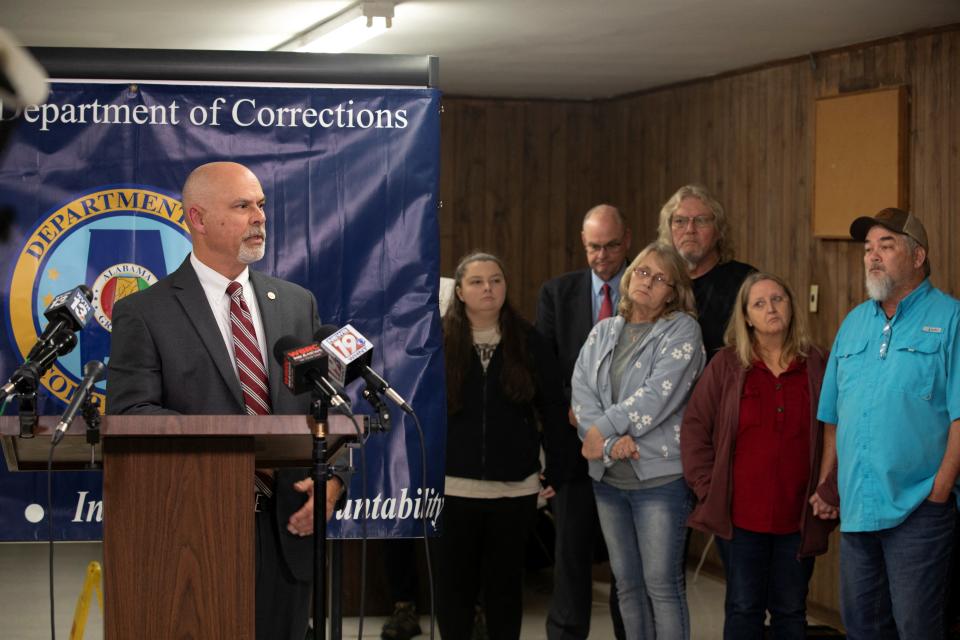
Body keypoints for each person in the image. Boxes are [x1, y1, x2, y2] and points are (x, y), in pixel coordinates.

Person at [106, 161, 343, 640]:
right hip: (192, 535)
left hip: (288, 531)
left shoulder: (297, 303)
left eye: (261, 205)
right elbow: (132, 414)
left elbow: (329, 404)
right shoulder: (144, 312)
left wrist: (333, 480)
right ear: (197, 218)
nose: (259, 217)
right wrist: (237, 457)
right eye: (242, 206)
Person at [814, 207, 960, 639]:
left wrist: (940, 491)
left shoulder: (951, 319)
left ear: (918, 257)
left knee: (917, 628)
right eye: (868, 248)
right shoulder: (854, 322)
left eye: (887, 245)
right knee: (862, 627)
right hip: (858, 508)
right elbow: (832, 419)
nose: (872, 256)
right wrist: (829, 484)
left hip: (919, 509)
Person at [681, 272, 837, 639]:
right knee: (743, 608)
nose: (771, 308)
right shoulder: (726, 366)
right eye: (760, 303)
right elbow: (694, 430)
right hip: (740, 519)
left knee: (790, 611)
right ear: (747, 316)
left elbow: (840, 432)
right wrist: (709, 486)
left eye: (778, 299)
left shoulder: (818, 364)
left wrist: (831, 487)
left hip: (798, 515)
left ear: (792, 307)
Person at [572, 241, 705, 639]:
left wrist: (601, 430)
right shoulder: (604, 330)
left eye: (660, 278)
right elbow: (582, 395)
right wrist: (608, 444)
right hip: (610, 481)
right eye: (643, 272)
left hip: (660, 482)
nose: (647, 281)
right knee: (627, 586)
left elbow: (657, 396)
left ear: (673, 292)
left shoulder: (683, 330)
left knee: (661, 587)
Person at [439, 251, 567, 640]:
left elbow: (556, 410)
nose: (488, 288)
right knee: (454, 589)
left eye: (496, 280)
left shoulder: (529, 340)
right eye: (477, 282)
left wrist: (557, 468)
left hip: (515, 489)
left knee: (505, 590)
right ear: (459, 291)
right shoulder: (437, 341)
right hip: (453, 488)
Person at [536, 203, 630, 640]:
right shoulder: (558, 293)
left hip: (634, 448)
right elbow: (546, 373)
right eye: (594, 247)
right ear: (582, 242)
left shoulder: (646, 288)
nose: (603, 257)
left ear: (626, 241)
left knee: (627, 564)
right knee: (570, 558)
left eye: (611, 246)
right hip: (574, 452)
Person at [657, 184, 755, 360]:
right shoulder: (657, 281)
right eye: (680, 221)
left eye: (701, 220)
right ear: (669, 230)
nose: (690, 229)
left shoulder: (745, 281)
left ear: (718, 231)